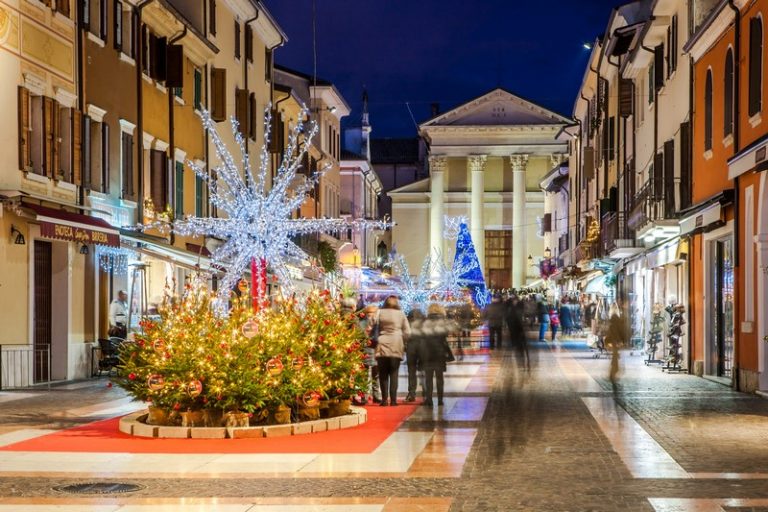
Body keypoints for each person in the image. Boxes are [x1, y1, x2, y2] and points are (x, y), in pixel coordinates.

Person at [419, 303, 457, 407]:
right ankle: (440, 400)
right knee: (440, 377)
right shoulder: (443, 322)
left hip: (427, 352)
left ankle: (429, 399)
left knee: (428, 378)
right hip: (440, 352)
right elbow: (446, 334)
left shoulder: (424, 322)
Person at [375, 295, 411, 406]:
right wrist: (403, 340)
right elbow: (408, 332)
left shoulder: (379, 312)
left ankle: (384, 400)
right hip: (396, 344)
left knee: (383, 374)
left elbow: (372, 325)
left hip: (382, 344)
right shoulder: (401, 314)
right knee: (394, 374)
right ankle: (394, 400)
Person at [361, 304, 382, 404]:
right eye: (369, 313)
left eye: (372, 313)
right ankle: (368, 396)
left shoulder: (376, 323)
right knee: (369, 375)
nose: (371, 315)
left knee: (373, 375)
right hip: (368, 350)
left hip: (371, 351)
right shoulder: (365, 323)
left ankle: (372, 396)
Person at [405, 309, 425, 402]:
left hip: (411, 348)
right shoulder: (424, 323)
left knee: (411, 372)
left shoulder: (407, 322)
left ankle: (411, 393)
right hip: (423, 348)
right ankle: (426, 391)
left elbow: (405, 335)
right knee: (424, 371)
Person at [506, 295, 529, 369]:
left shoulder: (515, 308)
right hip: (517, 327)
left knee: (518, 341)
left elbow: (510, 317)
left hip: (517, 327)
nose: (514, 302)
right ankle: (519, 351)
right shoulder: (514, 308)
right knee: (518, 341)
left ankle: (519, 351)